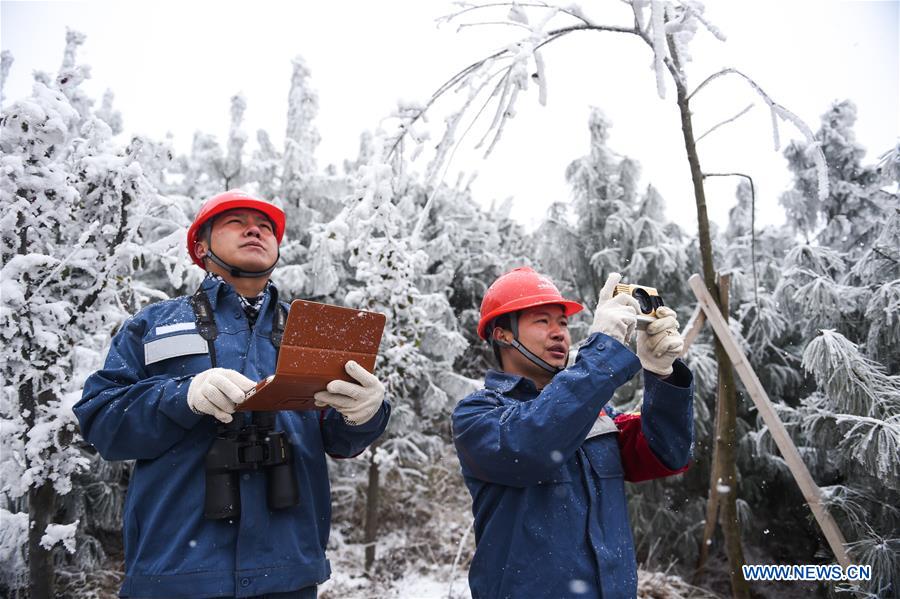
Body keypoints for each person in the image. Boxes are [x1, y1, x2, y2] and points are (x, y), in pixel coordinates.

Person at [74, 190, 390, 598]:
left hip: (286, 574)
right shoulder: (153, 324)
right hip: (176, 574)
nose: (255, 230)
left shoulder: (313, 329)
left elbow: (340, 440)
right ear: (201, 246)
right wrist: (182, 396)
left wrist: (366, 413)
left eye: (265, 227)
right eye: (235, 222)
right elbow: (102, 422)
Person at [452, 266, 694, 598]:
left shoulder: (593, 412)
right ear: (502, 334)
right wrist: (603, 351)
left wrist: (663, 375)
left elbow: (667, 452)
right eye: (542, 321)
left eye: (563, 323)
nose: (559, 333)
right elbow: (533, 442)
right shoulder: (477, 415)